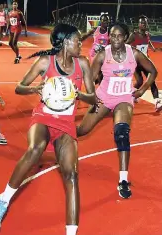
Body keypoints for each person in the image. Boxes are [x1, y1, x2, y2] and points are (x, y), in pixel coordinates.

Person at [0, 23, 97, 235]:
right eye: (76, 39)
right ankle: (3, 202)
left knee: (72, 174)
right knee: (35, 149)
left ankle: (71, 232)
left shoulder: (82, 63)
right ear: (65, 42)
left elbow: (93, 97)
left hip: (66, 123)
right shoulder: (46, 61)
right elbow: (20, 87)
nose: (80, 43)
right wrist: (36, 88)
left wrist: (78, 93)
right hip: (43, 116)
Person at [77, 22, 158, 199]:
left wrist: (142, 90)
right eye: (112, 36)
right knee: (81, 130)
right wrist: (92, 96)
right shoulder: (101, 55)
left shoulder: (134, 53)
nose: (115, 39)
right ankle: (57, 145)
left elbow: (153, 71)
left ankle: (122, 180)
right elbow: (90, 78)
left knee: (122, 133)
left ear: (126, 37)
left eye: (119, 36)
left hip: (124, 99)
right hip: (103, 98)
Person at [126, 15, 162, 111]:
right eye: (141, 23)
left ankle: (157, 101)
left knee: (151, 80)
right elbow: (126, 44)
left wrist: (153, 48)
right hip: (136, 63)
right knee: (140, 81)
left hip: (145, 62)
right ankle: (130, 95)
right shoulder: (134, 35)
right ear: (138, 24)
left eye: (145, 23)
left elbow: (148, 41)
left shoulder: (147, 34)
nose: (143, 24)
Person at [81, 13, 110, 84]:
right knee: (100, 70)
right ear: (101, 21)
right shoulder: (95, 30)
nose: (105, 22)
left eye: (107, 21)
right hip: (94, 53)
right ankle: (99, 87)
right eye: (104, 20)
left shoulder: (110, 31)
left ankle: (94, 81)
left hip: (104, 54)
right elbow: (85, 35)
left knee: (103, 72)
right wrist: (78, 40)